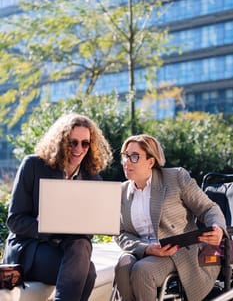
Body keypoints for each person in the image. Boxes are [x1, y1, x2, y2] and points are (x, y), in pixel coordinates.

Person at [3, 113, 113, 301]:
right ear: (61, 142)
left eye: (85, 143)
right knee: (88, 273)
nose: (79, 149)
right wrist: (50, 228)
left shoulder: (92, 178)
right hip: (31, 249)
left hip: (69, 250)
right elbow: (15, 221)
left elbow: (88, 231)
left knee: (82, 249)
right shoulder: (33, 165)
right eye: (73, 142)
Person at [114, 134, 226, 301]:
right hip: (142, 251)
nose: (127, 162)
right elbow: (120, 232)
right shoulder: (122, 191)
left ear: (151, 162)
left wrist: (217, 228)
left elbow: (208, 208)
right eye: (125, 156)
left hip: (175, 252)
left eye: (134, 157)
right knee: (122, 266)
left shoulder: (175, 178)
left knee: (142, 271)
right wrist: (146, 248)